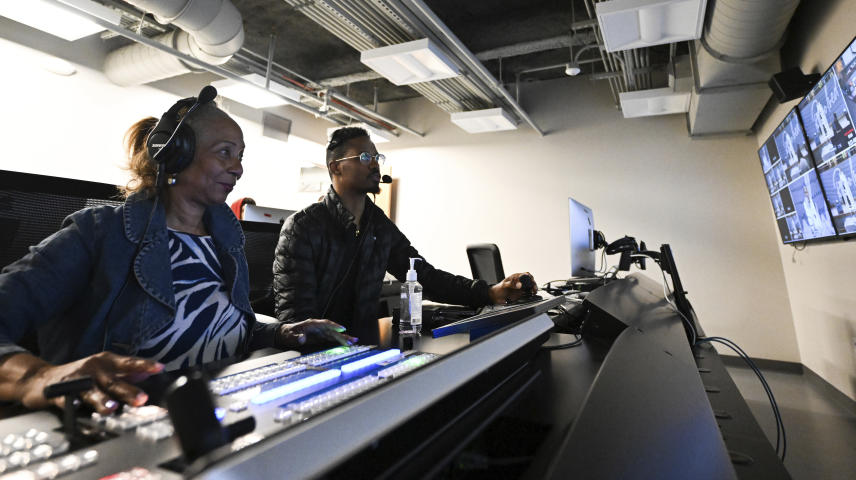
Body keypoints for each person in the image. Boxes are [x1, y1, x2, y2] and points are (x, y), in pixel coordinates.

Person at [0, 89, 352, 414]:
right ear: (177, 154)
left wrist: (280, 332)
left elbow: (221, 329)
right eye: (224, 152)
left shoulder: (226, 241)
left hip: (213, 409)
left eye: (240, 155)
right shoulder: (99, 232)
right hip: (132, 415)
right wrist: (35, 377)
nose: (238, 167)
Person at [273, 127, 538, 344]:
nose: (375, 164)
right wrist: (327, 342)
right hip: (320, 358)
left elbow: (425, 276)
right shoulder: (303, 227)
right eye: (365, 158)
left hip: (363, 349)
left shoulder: (377, 225)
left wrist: (489, 292)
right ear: (336, 168)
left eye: (377, 157)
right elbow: (296, 320)